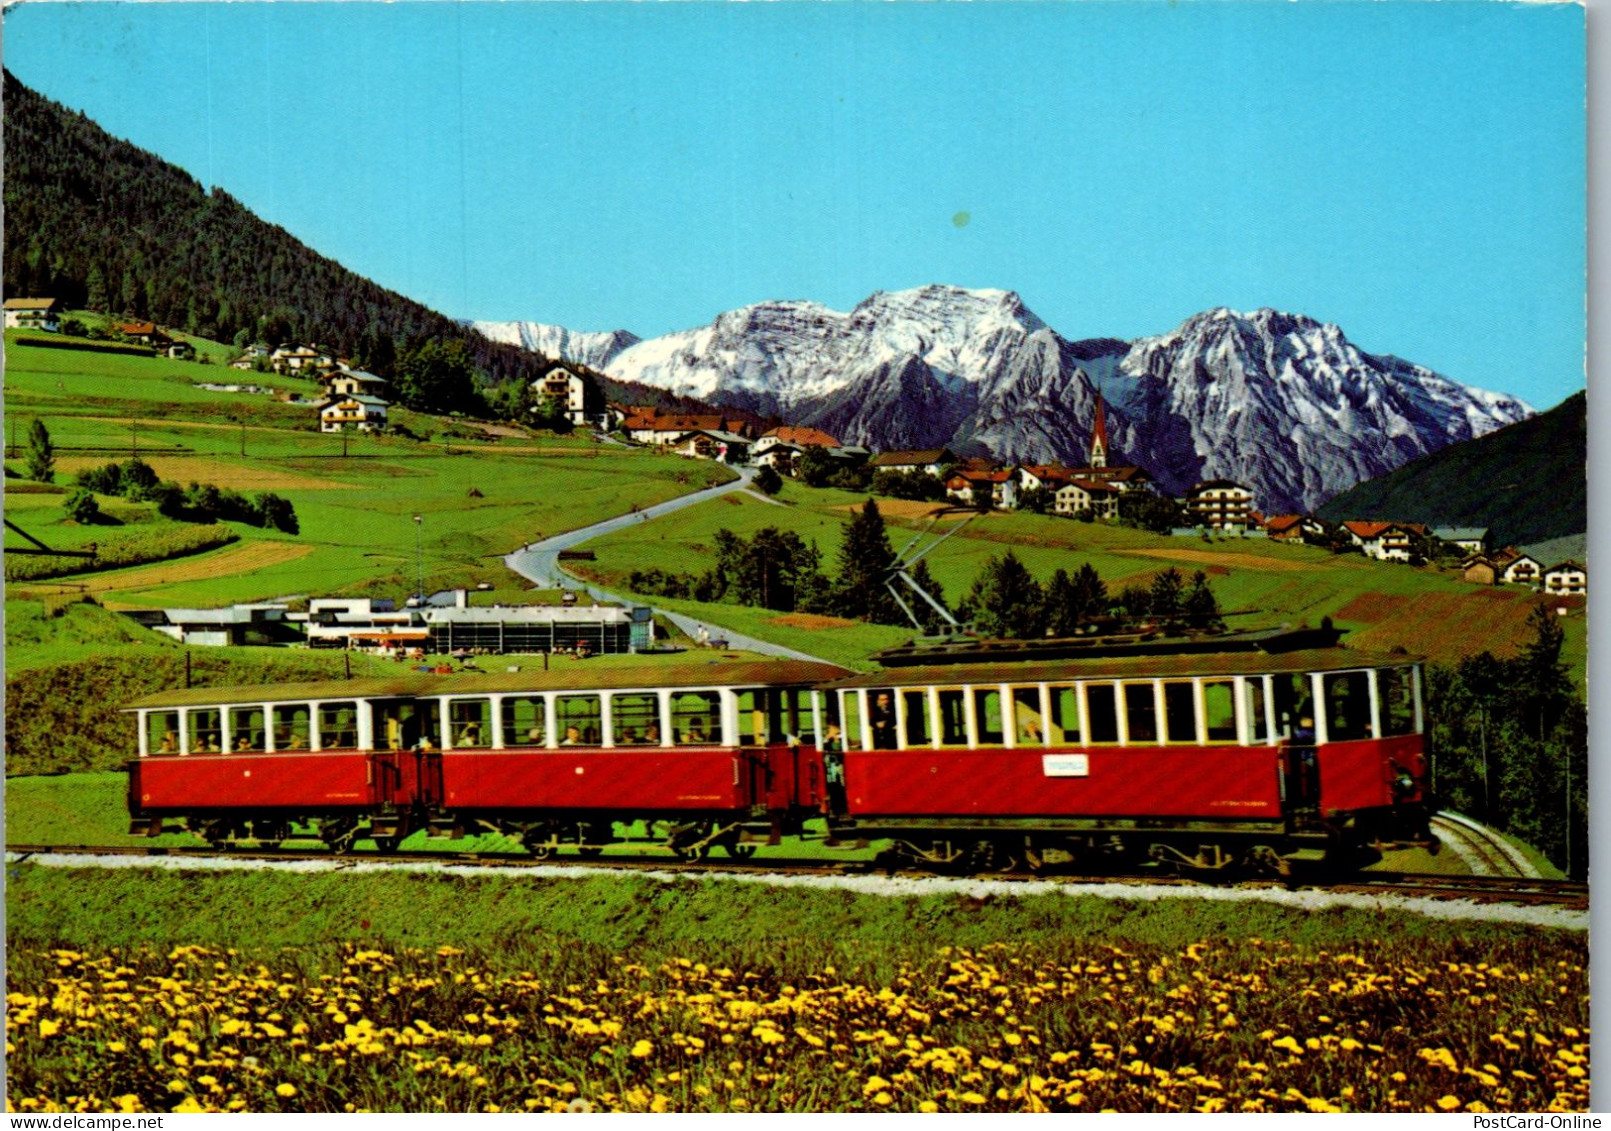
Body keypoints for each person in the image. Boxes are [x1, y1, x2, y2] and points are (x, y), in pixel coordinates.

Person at [821, 722, 848, 827]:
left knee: (841, 786)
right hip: (831, 768)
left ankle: (841, 810)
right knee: (833, 787)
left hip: (839, 767)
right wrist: (827, 739)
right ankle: (835, 810)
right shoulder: (827, 741)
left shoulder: (842, 740)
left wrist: (836, 739)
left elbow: (839, 750)